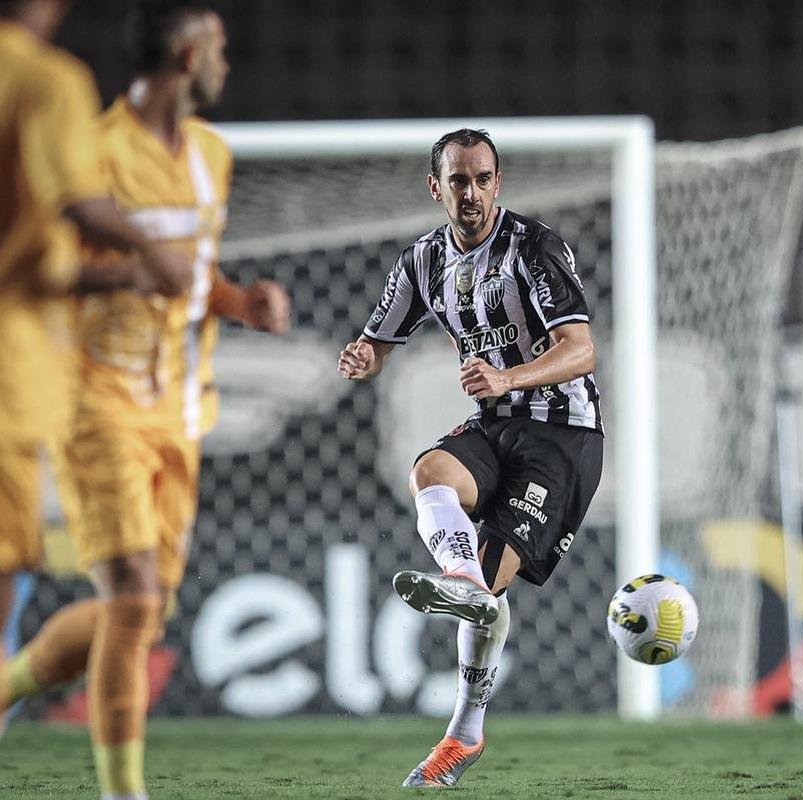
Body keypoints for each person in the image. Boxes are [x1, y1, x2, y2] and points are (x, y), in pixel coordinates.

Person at [0, 4, 290, 799]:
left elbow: (190, 280)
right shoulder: (92, 150)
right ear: (190, 53)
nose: (227, 63)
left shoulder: (211, 156)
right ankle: (124, 792)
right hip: (96, 399)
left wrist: (239, 302)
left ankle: (7, 686)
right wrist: (129, 270)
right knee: (130, 595)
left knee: (139, 614)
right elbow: (48, 269)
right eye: (220, 48)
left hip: (178, 408)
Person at [338, 128, 603, 788]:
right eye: (459, 180)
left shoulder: (534, 248)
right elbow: (379, 342)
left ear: (498, 182)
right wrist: (362, 358)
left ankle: (464, 732)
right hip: (496, 424)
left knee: (495, 574)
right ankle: (461, 582)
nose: (472, 192)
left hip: (562, 434)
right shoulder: (423, 262)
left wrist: (511, 378)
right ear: (437, 188)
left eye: (483, 178)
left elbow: (582, 349)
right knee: (430, 472)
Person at [0, 0, 191, 732]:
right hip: (16, 362)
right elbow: (76, 204)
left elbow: (46, 260)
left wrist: (120, 278)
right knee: (10, 557)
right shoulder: (47, 81)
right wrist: (151, 250)